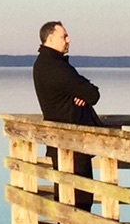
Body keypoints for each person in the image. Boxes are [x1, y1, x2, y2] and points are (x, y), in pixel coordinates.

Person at [33, 20, 101, 211]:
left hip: (60, 138)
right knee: (80, 193)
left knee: (65, 190)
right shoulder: (56, 67)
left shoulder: (43, 64)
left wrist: (80, 93)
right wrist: (83, 93)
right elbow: (93, 94)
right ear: (51, 38)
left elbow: (82, 90)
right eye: (64, 36)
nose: (68, 40)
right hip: (71, 139)